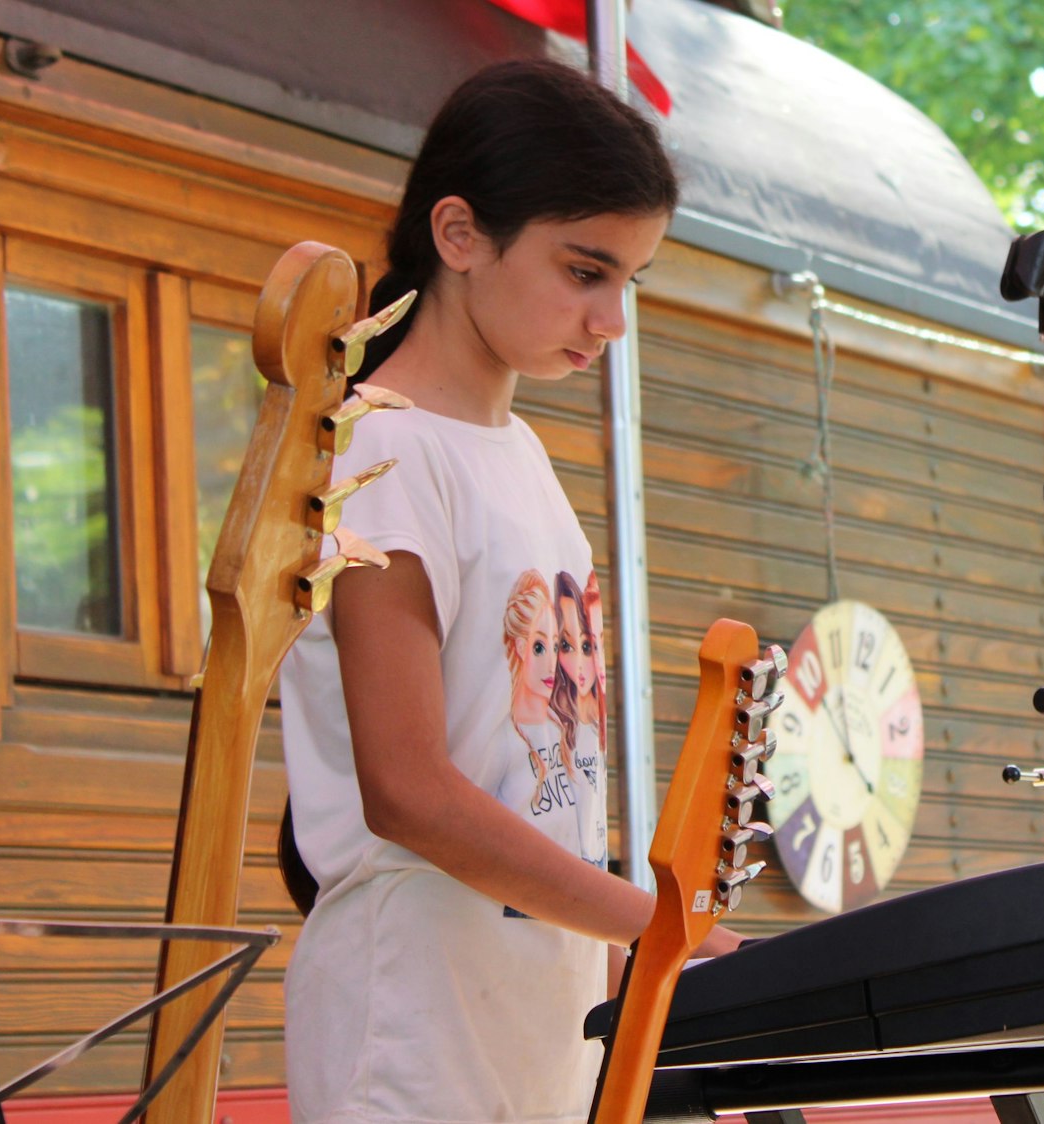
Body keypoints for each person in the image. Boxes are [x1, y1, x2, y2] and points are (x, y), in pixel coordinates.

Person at [277, 58, 739, 1124]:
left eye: (631, 280)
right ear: (459, 234)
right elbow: (407, 789)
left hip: (534, 1024)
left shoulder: (521, 454)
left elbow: (536, 781)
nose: (612, 318)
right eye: (584, 270)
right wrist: (658, 926)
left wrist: (634, 953)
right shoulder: (383, 447)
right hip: (409, 1033)